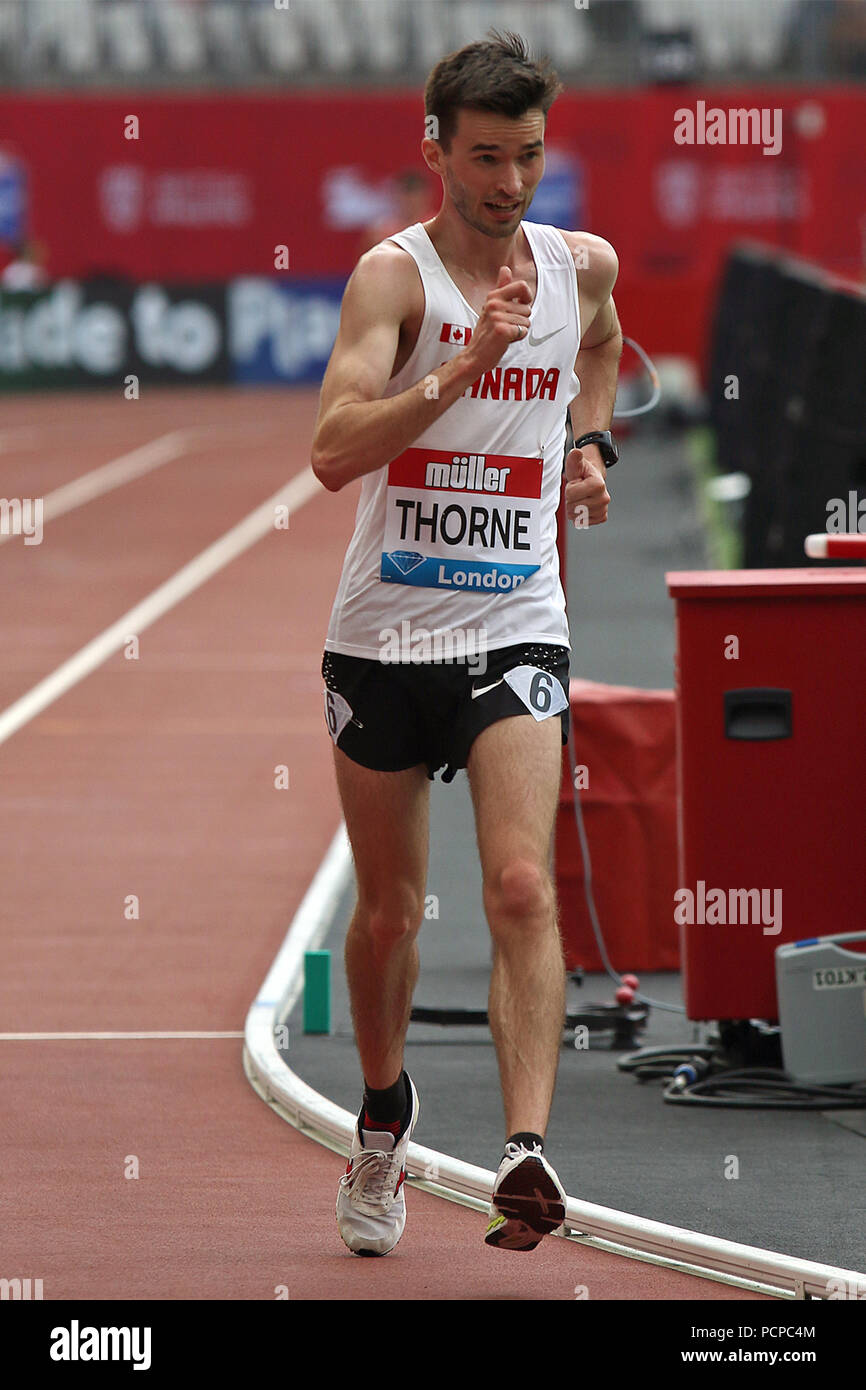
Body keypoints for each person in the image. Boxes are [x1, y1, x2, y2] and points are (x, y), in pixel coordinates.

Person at [312, 29, 622, 1257]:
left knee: (518, 885)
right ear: (434, 149)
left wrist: (587, 444)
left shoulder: (579, 265)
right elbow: (332, 452)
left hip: (513, 624)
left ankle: (524, 1151)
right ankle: (382, 1117)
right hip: (383, 637)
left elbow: (600, 343)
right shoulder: (392, 282)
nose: (509, 182)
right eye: (486, 157)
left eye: (528, 156)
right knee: (390, 914)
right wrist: (467, 363)